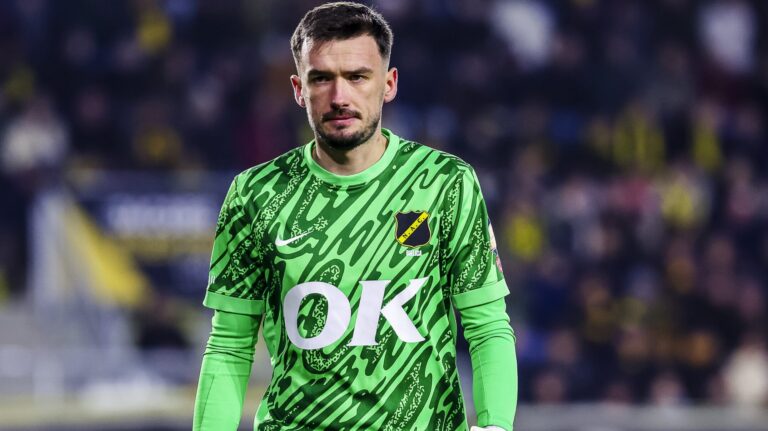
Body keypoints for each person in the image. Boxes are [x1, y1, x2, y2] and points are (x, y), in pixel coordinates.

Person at [193, 3, 517, 430]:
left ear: (389, 83)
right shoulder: (256, 194)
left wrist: (495, 426)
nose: (339, 96)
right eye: (322, 78)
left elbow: (487, 325)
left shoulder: (445, 184)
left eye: (357, 77)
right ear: (297, 88)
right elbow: (230, 345)